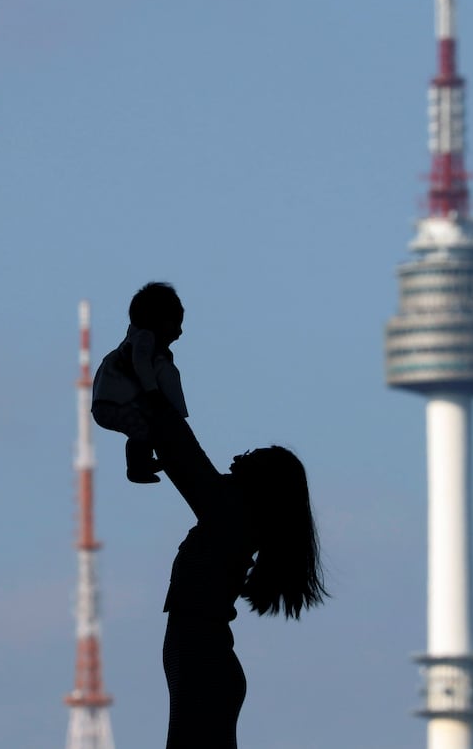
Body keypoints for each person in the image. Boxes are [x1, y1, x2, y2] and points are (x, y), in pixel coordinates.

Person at [137, 390, 329, 749]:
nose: (235, 460)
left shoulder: (229, 518)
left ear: (259, 487)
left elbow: (184, 456)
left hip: (202, 657)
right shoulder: (234, 521)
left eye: (247, 461)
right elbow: (182, 456)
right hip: (204, 656)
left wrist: (154, 397)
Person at [91, 282, 188, 483]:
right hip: (116, 403)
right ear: (157, 320)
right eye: (175, 323)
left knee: (148, 428)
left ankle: (144, 461)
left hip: (112, 402)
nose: (179, 332)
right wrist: (152, 392)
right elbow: (140, 363)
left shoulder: (136, 343)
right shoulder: (144, 340)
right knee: (143, 428)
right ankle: (137, 467)